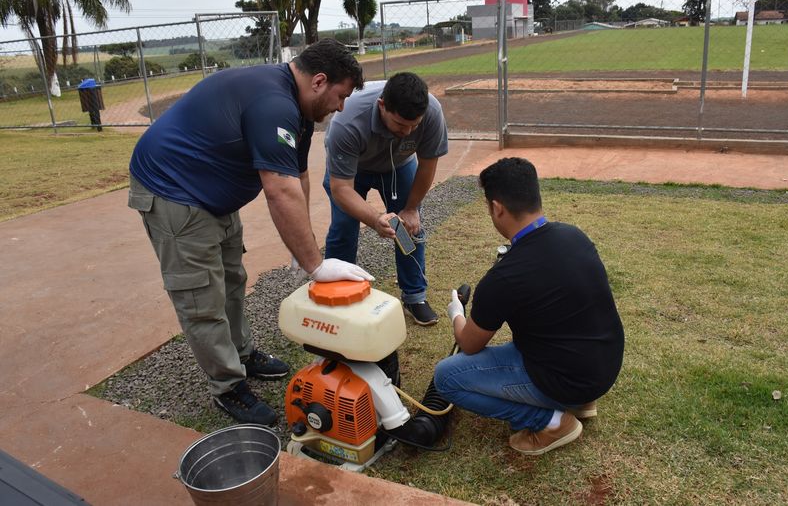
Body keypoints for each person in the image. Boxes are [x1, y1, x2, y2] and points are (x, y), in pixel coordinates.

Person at [128, 39, 374, 426]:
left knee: (232, 279)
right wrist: (315, 265)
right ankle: (228, 387)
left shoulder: (299, 109)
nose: (341, 107)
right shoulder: (274, 103)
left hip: (213, 192)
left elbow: (298, 177)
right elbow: (278, 188)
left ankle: (241, 352)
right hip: (173, 190)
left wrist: (303, 246)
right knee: (201, 298)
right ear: (319, 81)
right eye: (340, 96)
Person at [434, 157, 624, 455]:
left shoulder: (505, 276)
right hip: (603, 369)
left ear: (497, 208)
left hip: (565, 378)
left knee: (446, 377)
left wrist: (456, 312)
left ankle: (551, 421)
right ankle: (580, 403)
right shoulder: (574, 236)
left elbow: (469, 343)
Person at [323, 72, 448, 326]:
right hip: (352, 171)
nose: (408, 132)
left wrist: (411, 208)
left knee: (410, 228)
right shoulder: (348, 122)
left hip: (399, 165)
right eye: (401, 125)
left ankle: (415, 296)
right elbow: (341, 189)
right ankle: (337, 296)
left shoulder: (432, 112)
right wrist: (376, 218)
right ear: (382, 106)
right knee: (344, 228)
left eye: (414, 125)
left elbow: (426, 166)